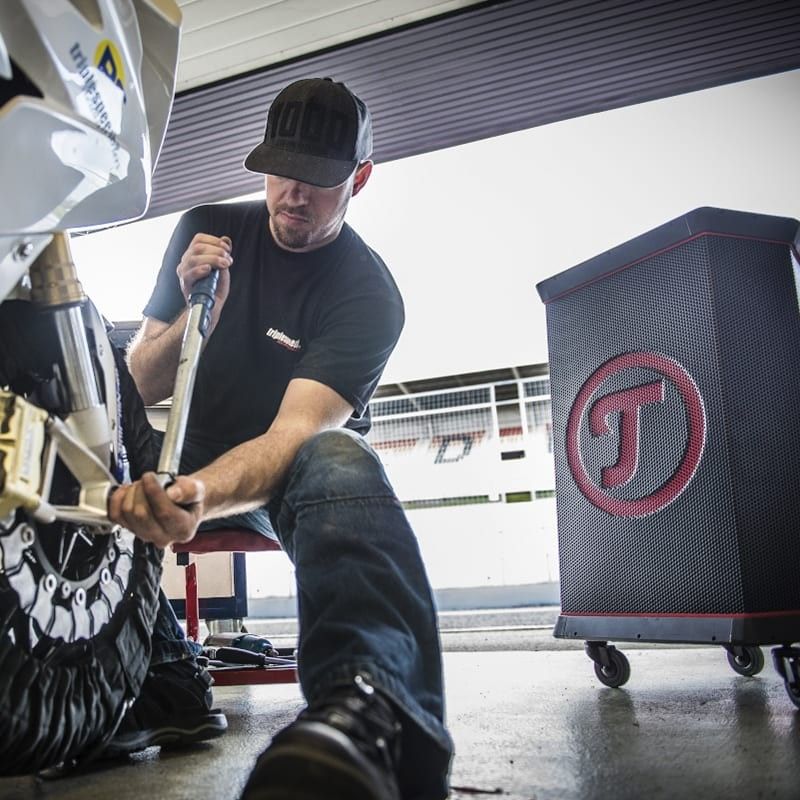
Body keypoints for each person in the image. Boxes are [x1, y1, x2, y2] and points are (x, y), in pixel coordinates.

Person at [108, 77, 453, 800]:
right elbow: (138, 387)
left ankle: (370, 708)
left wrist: (197, 492)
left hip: (280, 483)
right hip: (181, 458)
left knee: (338, 453)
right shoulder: (206, 231)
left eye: (319, 181)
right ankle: (159, 674)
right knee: (82, 427)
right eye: (282, 172)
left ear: (359, 178)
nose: (294, 194)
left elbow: (294, 434)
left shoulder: (367, 294)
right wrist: (194, 313)